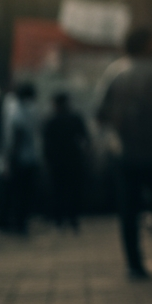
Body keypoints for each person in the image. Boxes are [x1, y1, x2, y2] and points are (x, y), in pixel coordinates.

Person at [96, 27, 152, 278]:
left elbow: (100, 115)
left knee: (129, 211)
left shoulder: (115, 73)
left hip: (127, 155)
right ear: (148, 45)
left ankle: (134, 264)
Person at [43, 92, 90, 231]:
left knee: (58, 191)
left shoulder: (51, 120)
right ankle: (73, 219)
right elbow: (86, 139)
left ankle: (59, 220)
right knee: (73, 191)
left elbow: (46, 144)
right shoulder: (75, 118)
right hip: (73, 160)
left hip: (57, 162)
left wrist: (47, 160)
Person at [1, 82, 41, 234]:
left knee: (16, 193)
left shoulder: (15, 109)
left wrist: (10, 160)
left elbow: (16, 137)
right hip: (31, 158)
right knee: (25, 194)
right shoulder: (32, 109)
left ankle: (16, 224)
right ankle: (21, 223)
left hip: (19, 159)